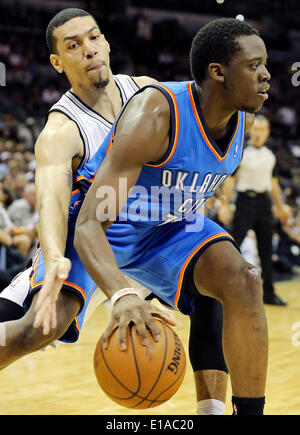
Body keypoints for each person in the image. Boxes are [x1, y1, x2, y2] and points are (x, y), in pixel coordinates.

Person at [34, 18, 271, 415]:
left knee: (241, 280)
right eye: (254, 66)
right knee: (35, 331)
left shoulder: (241, 116)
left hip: (164, 228)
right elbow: (92, 223)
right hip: (105, 226)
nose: (266, 75)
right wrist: (123, 295)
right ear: (218, 73)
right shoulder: (156, 113)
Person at [217, 115, 291, 305]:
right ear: (250, 132)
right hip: (244, 202)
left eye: (262, 130)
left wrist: (281, 207)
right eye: (255, 130)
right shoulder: (241, 151)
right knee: (233, 247)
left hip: (264, 204)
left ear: (267, 133)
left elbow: (273, 184)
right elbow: (231, 181)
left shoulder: (270, 155)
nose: (258, 133)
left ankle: (269, 294)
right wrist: (224, 205)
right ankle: (221, 291)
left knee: (266, 251)